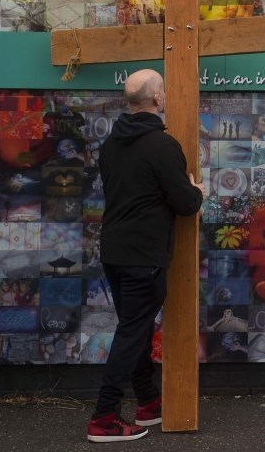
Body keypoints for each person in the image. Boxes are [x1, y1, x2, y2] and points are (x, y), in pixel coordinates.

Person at [87, 69, 204, 443]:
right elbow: (185, 205)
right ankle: (104, 417)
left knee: (132, 330)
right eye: (164, 92)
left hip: (115, 250)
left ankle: (149, 403)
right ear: (157, 99)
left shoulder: (110, 144)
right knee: (132, 332)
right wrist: (197, 190)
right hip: (144, 255)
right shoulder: (162, 146)